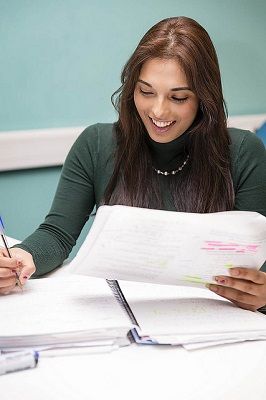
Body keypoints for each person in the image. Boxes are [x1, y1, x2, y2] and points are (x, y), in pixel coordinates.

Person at [1, 16, 266, 311]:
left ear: (205, 99)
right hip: (119, 319)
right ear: (131, 89)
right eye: (146, 92)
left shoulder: (243, 152)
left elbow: (260, 267)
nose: (158, 110)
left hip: (215, 328)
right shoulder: (96, 144)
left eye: (178, 97)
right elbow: (58, 234)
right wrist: (21, 257)